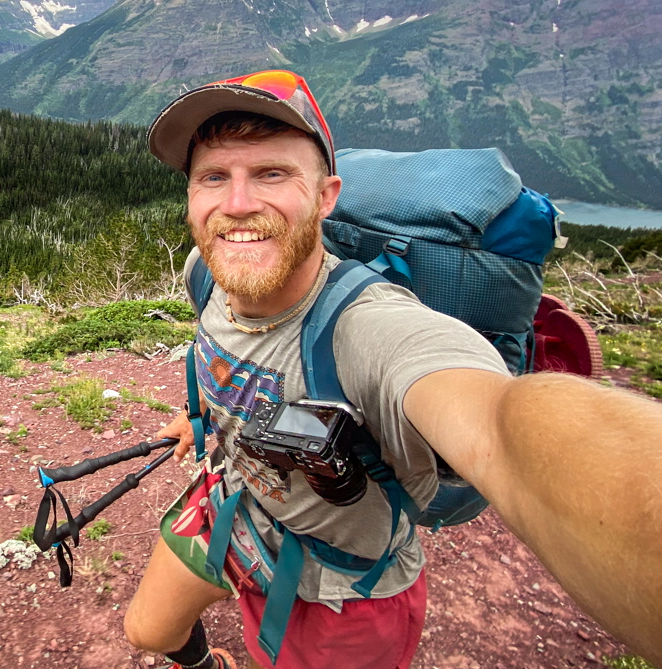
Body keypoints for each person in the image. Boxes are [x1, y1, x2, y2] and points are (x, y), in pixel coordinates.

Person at [122, 69, 662, 669]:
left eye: (272, 174)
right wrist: (198, 418)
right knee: (149, 629)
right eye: (214, 177)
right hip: (237, 504)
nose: (238, 203)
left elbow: (501, 427)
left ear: (327, 196)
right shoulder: (209, 267)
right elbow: (227, 361)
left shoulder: (370, 329)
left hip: (343, 584)